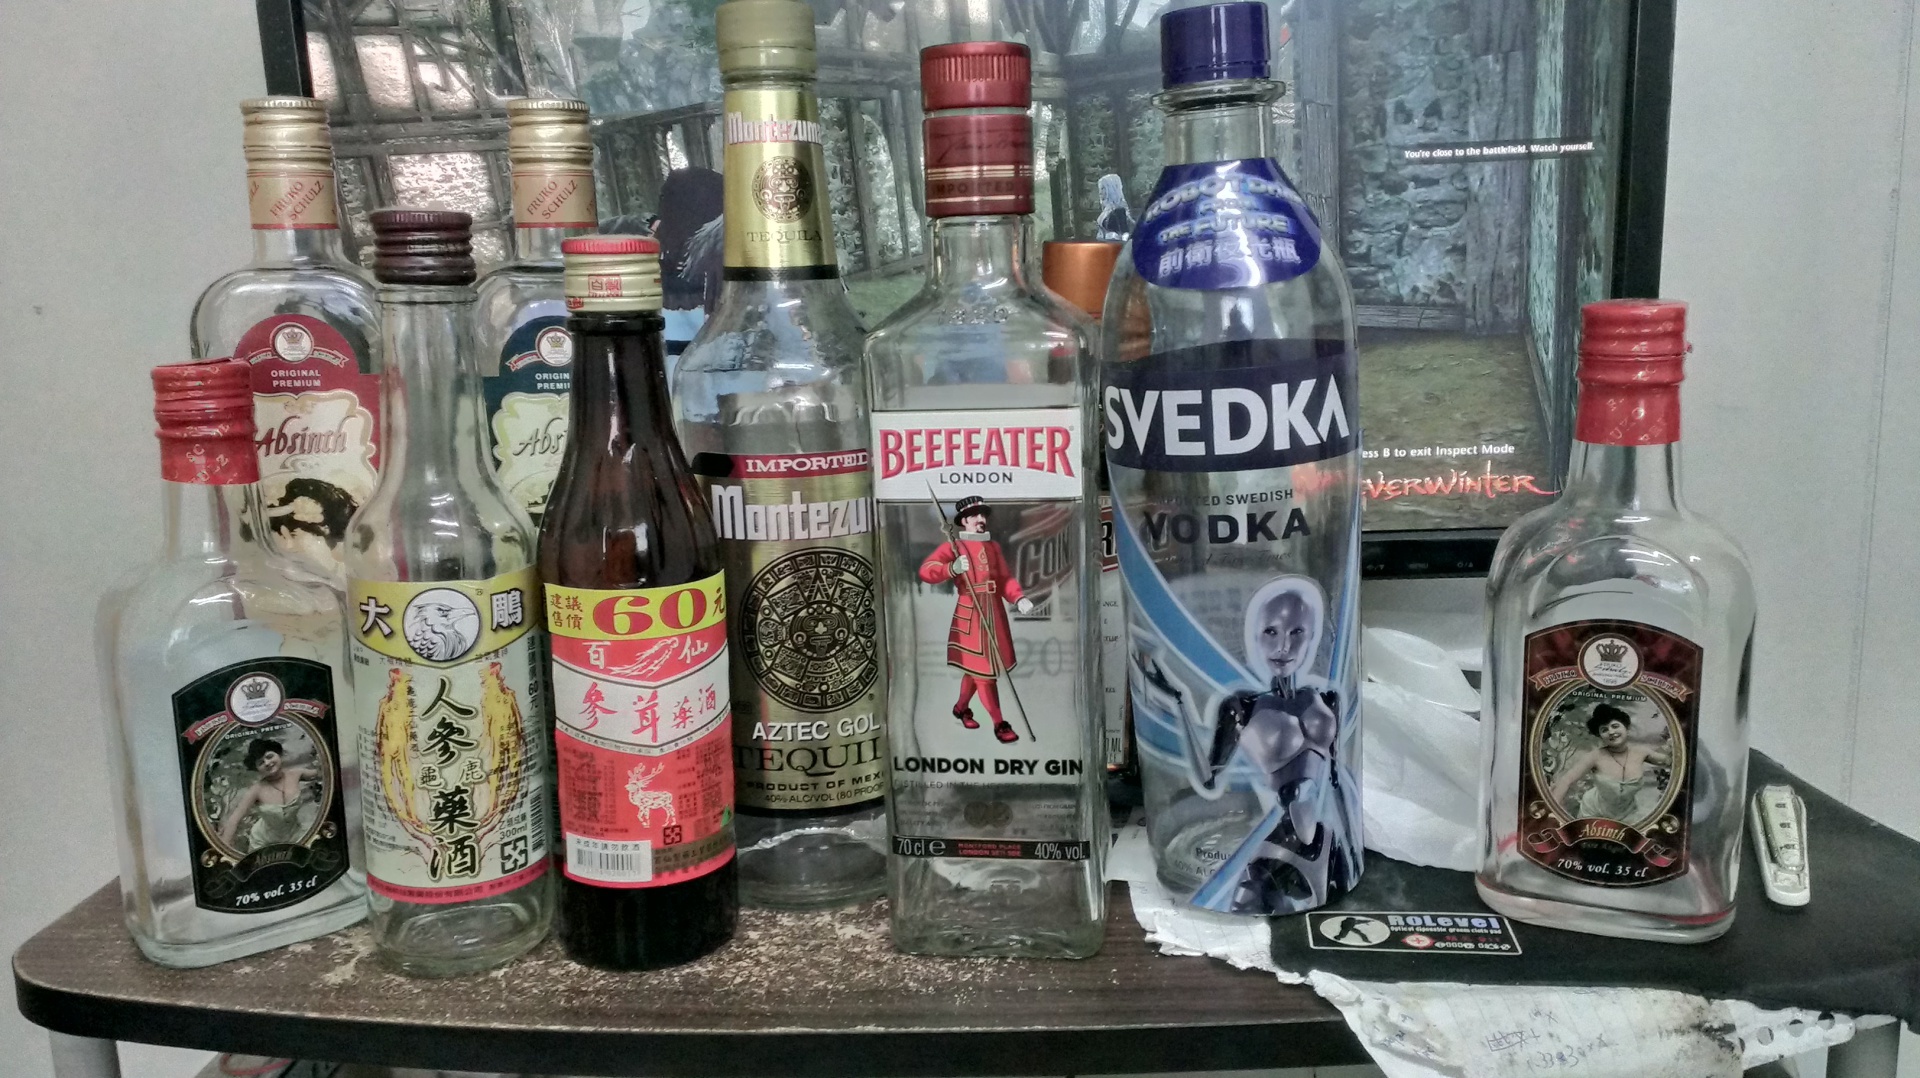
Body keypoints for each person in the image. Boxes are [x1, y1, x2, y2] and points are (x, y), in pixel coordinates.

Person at [1188, 575, 1361, 912]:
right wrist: (1179, 703)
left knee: (1340, 911)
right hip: (1273, 839)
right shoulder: (1243, 706)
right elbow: (1209, 779)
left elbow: (1337, 779)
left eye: (1296, 632)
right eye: (1271, 631)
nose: (1284, 647)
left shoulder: (1327, 699)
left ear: (1312, 636)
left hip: (1323, 837)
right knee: (1252, 909)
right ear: (1255, 636)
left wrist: (1352, 843)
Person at [918, 496, 1035, 744]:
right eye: (975, 516)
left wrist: (1018, 597)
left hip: (994, 611)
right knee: (984, 674)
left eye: (983, 515)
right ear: (964, 521)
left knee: (978, 670)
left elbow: (1004, 578)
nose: (981, 520)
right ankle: (999, 723)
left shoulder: (993, 547)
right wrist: (951, 569)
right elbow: (926, 571)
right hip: (970, 614)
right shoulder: (954, 547)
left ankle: (961, 708)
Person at [1549, 703, 1672, 825]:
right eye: (1604, 730)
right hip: (1593, 811)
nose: (1611, 732)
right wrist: (1554, 811)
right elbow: (1566, 780)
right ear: (1600, 736)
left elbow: (1670, 761)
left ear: (1627, 729)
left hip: (1629, 814)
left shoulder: (1642, 752)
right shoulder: (1595, 756)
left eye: (1615, 726)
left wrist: (1674, 743)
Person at [217, 737, 321, 854]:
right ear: (257, 768)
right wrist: (224, 852)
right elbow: (234, 820)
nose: (267, 763)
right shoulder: (256, 790)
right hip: (264, 843)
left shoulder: (297, 774)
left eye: (270, 756)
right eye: (261, 762)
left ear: (279, 755)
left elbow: (322, 773)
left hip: (297, 836)